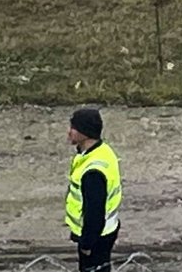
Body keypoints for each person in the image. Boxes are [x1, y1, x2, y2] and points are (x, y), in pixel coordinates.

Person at [65, 108, 122, 272]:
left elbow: (94, 212)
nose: (69, 132)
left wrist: (87, 244)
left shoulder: (93, 172)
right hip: (107, 229)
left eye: (73, 128)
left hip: (96, 237)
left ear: (85, 133)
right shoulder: (102, 151)